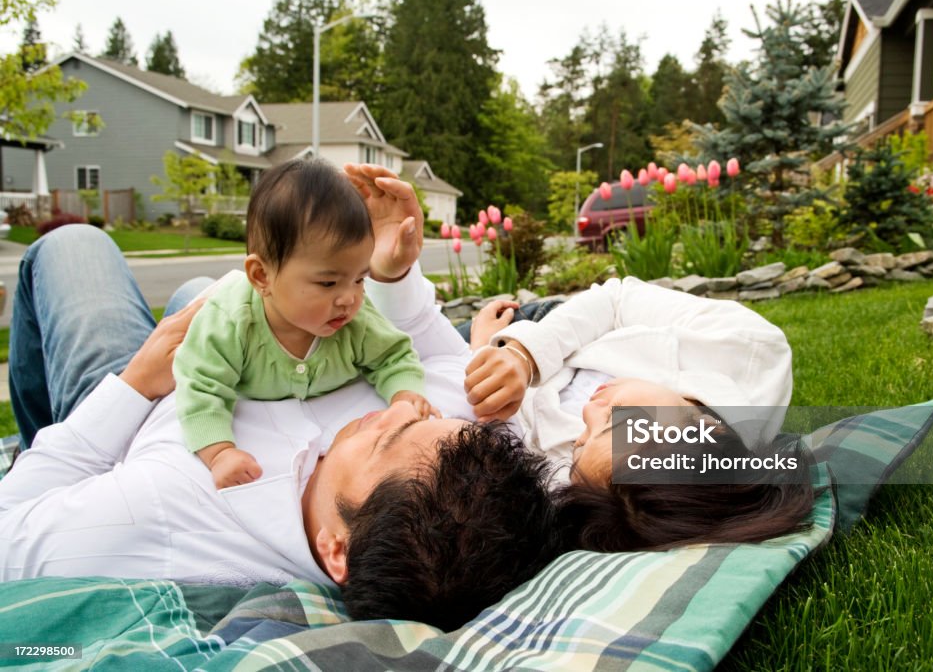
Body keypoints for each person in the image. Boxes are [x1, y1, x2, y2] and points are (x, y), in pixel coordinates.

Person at [0, 166, 559, 633]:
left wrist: (133, 383)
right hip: (248, 328)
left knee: (74, 244)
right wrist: (390, 272)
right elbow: (437, 362)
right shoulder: (457, 463)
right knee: (198, 293)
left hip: (142, 403)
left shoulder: (164, 514)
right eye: (418, 417)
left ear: (337, 549)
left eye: (380, 435)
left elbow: (9, 530)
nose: (387, 411)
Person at [462, 275, 816, 552]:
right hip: (551, 327)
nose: (589, 412)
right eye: (617, 421)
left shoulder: (605, 496)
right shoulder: (746, 348)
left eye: (580, 446)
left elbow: (496, 429)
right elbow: (615, 300)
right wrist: (521, 354)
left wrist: (478, 356)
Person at [174, 159, 434, 489]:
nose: (348, 299)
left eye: (359, 279)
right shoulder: (228, 323)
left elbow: (393, 356)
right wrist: (220, 452)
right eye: (328, 284)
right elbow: (200, 385)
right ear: (261, 275)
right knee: (189, 304)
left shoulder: (356, 320)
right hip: (205, 305)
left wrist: (405, 393)